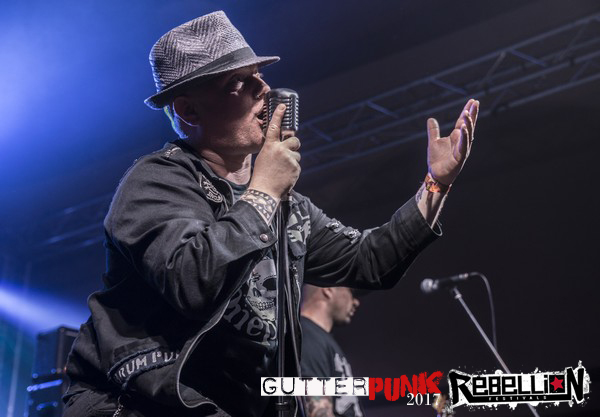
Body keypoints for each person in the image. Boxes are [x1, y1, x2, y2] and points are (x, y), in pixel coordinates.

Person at [62, 10, 479, 417]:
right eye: (238, 83)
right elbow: (193, 282)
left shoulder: (288, 206)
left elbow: (371, 261)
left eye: (259, 75)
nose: (263, 88)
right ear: (189, 111)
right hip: (142, 402)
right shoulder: (155, 182)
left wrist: (436, 183)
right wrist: (263, 191)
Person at [300, 285, 365, 417]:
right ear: (328, 289)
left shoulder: (321, 339)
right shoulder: (307, 336)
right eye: (352, 292)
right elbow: (317, 410)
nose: (356, 302)